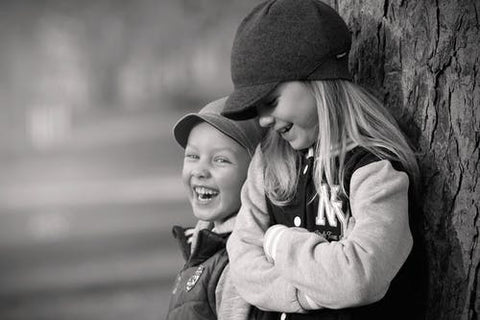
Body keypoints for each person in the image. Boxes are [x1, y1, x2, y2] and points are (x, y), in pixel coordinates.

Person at [221, 0, 426, 319]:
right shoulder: (270, 160)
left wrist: (277, 242)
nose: (262, 121)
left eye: (270, 102)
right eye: (256, 109)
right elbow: (243, 261)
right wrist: (311, 293)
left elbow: (359, 277)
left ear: (319, 80)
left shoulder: (372, 170)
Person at [165, 97, 265, 320]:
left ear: (256, 175)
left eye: (221, 160)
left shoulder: (239, 264)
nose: (200, 171)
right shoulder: (205, 245)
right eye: (192, 156)